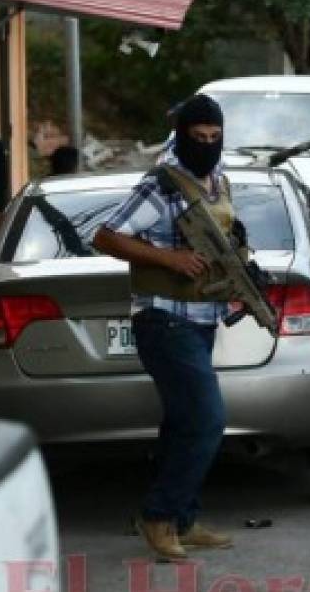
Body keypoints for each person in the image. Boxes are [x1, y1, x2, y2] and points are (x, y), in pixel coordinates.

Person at [92, 95, 236, 560]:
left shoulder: (218, 182)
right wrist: (168, 258)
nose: (208, 146)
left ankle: (182, 519)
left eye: (215, 138)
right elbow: (106, 235)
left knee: (182, 423)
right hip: (164, 317)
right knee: (208, 420)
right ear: (182, 136)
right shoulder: (163, 185)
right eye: (199, 138)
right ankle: (158, 516)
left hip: (201, 316)